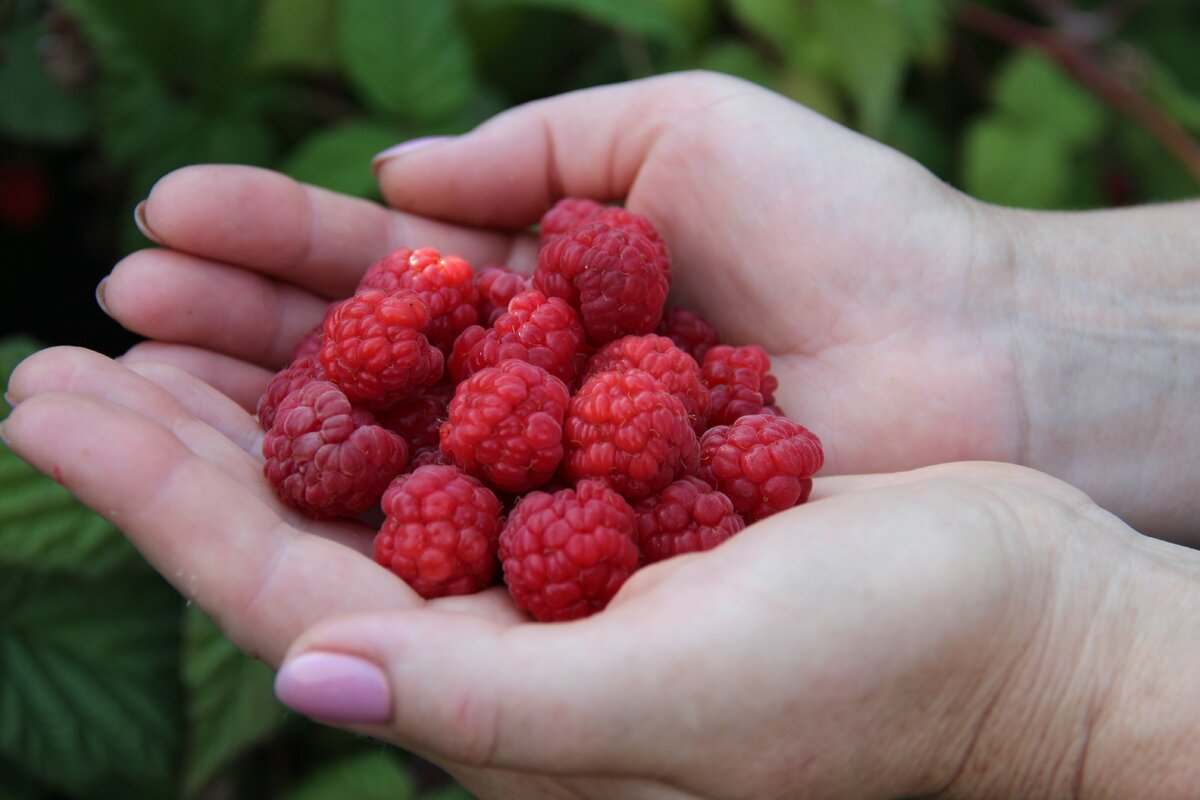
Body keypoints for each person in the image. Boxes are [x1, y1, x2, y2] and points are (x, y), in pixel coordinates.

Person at [3, 71, 1198, 798]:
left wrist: (1055, 665)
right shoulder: (488, 386)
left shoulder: (645, 396)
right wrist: (1024, 314)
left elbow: (642, 431)